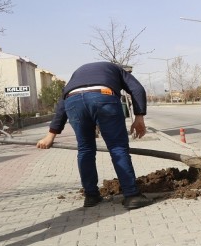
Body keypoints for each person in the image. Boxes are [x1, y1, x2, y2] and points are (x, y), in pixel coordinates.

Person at [36, 61, 153, 210]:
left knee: (85, 149)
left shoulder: (76, 74)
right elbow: (137, 89)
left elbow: (62, 105)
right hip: (103, 97)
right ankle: (132, 195)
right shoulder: (116, 69)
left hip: (73, 100)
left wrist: (50, 136)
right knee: (117, 148)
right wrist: (139, 118)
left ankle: (91, 196)